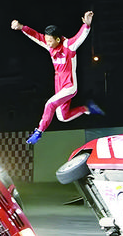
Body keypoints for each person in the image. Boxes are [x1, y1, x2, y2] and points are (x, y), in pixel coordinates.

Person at [11, 10, 104, 144]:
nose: (47, 43)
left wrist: (87, 25)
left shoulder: (69, 46)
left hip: (69, 86)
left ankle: (39, 131)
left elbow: (80, 37)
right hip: (59, 87)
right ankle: (87, 108)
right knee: (63, 117)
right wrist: (21, 27)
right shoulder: (49, 45)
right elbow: (35, 35)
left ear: (58, 39)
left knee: (49, 105)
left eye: (50, 41)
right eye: (47, 40)